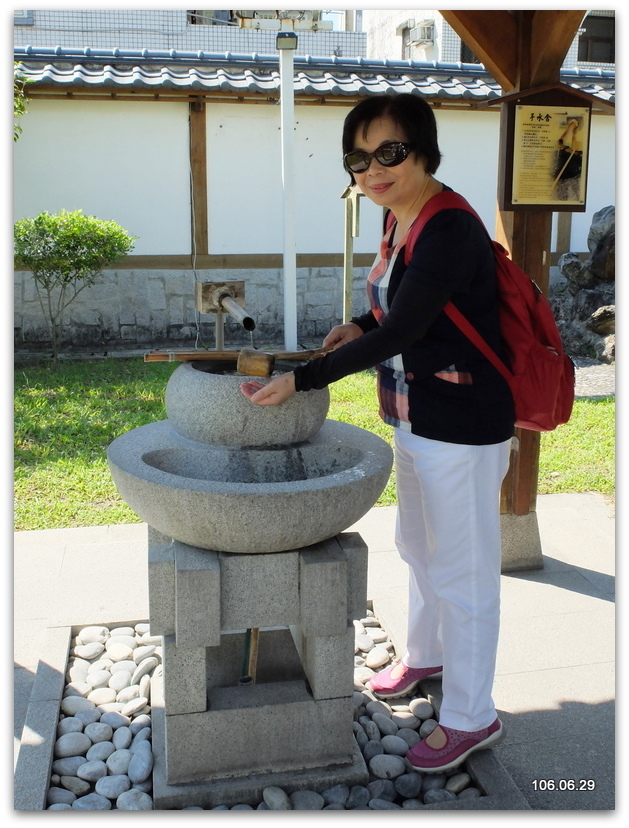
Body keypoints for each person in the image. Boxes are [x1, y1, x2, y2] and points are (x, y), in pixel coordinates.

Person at [240, 93, 515, 774]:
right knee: (418, 547)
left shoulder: (448, 226)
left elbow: (406, 328)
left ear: (424, 151)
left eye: (389, 153)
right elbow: (402, 311)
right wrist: (355, 327)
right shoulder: (401, 221)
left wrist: (306, 378)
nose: (372, 169)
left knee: (464, 570)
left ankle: (471, 715)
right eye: (357, 158)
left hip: (463, 422)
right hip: (417, 414)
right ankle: (428, 655)